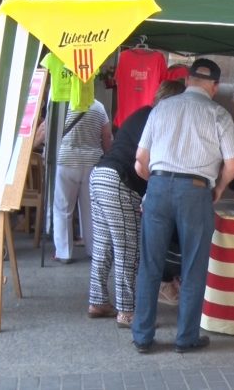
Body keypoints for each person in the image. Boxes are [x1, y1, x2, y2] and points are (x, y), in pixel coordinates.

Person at [131, 58, 234, 353]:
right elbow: (233, 163)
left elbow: (140, 161)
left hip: (157, 187)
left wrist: (156, 185)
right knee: (193, 267)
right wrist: (218, 188)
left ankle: (142, 337)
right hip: (195, 191)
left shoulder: (161, 108)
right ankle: (186, 338)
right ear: (215, 87)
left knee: (150, 265)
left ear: (187, 80)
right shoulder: (218, 114)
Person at [87, 80, 185, 326]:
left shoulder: (143, 113)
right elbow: (147, 162)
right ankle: (127, 311)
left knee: (104, 245)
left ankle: (98, 301)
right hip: (121, 181)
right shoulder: (161, 121)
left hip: (99, 174)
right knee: (128, 250)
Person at [52, 99, 112, 263]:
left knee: (63, 208)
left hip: (66, 161)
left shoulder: (64, 104)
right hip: (92, 162)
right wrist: (108, 156)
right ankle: (93, 250)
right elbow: (106, 136)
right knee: (90, 209)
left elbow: (50, 131)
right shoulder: (99, 107)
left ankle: (63, 252)